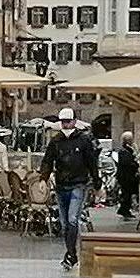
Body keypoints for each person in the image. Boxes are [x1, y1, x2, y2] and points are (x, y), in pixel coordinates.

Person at [40, 105, 100, 269]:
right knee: (65, 223)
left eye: (68, 122)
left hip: (78, 184)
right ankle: (71, 253)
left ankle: (71, 254)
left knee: (72, 219)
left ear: (74, 122)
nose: (66, 125)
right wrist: (43, 178)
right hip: (61, 185)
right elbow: (47, 160)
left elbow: (91, 162)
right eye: (63, 122)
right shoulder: (56, 141)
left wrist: (96, 182)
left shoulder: (83, 140)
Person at [115, 131, 140, 220]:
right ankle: (124, 210)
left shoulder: (127, 150)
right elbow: (127, 163)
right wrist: (135, 163)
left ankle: (125, 209)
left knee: (127, 194)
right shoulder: (124, 151)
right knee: (126, 194)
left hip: (126, 176)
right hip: (126, 176)